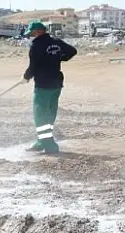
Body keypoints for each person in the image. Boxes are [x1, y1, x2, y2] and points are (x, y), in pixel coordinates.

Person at [22, 21, 77, 154]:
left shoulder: (36, 46)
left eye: (32, 33)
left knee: (40, 116)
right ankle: (41, 142)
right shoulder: (56, 42)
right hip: (56, 85)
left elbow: (33, 67)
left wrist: (26, 76)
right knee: (50, 114)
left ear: (39, 31)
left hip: (43, 85)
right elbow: (72, 51)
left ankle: (50, 145)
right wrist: (57, 57)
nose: (31, 36)